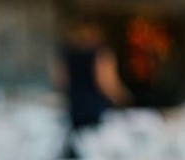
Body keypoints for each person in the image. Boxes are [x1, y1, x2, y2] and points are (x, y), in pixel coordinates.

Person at [55, 15, 130, 150]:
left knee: (79, 150)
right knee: (97, 152)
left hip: (75, 108)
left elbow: (60, 80)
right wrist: (123, 97)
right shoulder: (101, 54)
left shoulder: (67, 53)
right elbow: (106, 82)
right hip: (95, 109)